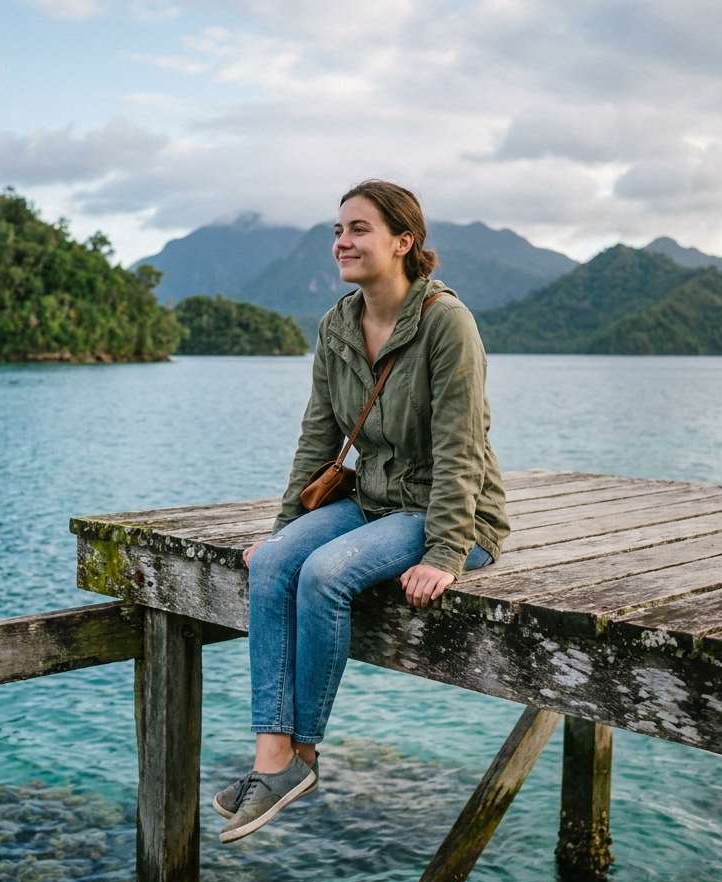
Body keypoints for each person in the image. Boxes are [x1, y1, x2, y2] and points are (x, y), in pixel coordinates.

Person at [213, 180, 510, 843]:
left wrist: (445, 553)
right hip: (372, 500)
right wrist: (283, 532)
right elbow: (317, 440)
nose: (342, 241)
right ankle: (272, 759)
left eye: (359, 229)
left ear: (405, 242)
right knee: (277, 564)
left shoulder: (446, 323)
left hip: (449, 514)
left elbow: (462, 446)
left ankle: (304, 756)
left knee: (324, 575)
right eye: (337, 230)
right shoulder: (337, 324)